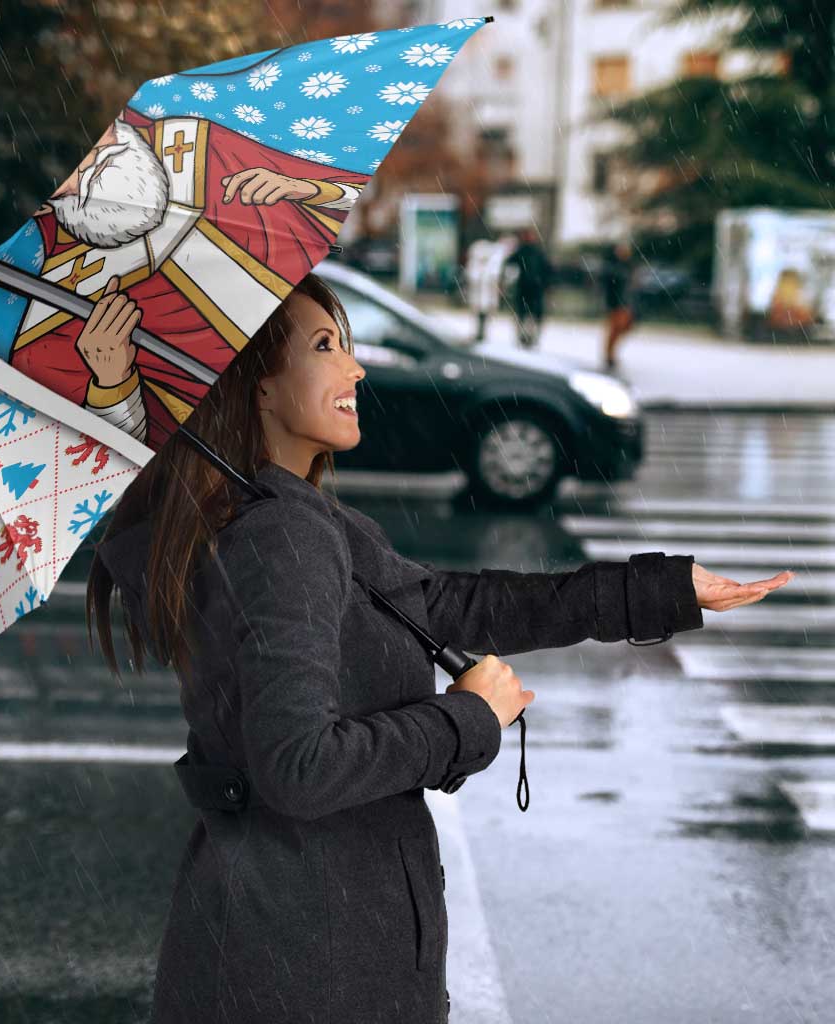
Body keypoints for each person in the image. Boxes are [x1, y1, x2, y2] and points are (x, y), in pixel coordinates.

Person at [87, 272, 793, 1024]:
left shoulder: (284, 519)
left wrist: (660, 590)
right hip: (309, 964)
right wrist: (466, 719)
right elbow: (298, 768)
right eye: (326, 346)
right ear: (258, 388)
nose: (355, 368)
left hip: (285, 945)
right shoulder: (281, 536)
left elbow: (456, 606)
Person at [503, 226, 553, 349]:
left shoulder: (536, 252)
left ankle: (530, 337)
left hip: (534, 288)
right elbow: (509, 264)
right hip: (526, 288)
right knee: (524, 314)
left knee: (531, 315)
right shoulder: (523, 251)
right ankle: (524, 337)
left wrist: (546, 284)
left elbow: (547, 270)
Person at [601, 239, 637, 370]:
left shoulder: (628, 266)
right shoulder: (613, 267)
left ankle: (610, 354)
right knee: (615, 329)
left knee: (623, 328)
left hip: (625, 303)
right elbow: (610, 286)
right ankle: (609, 355)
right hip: (616, 303)